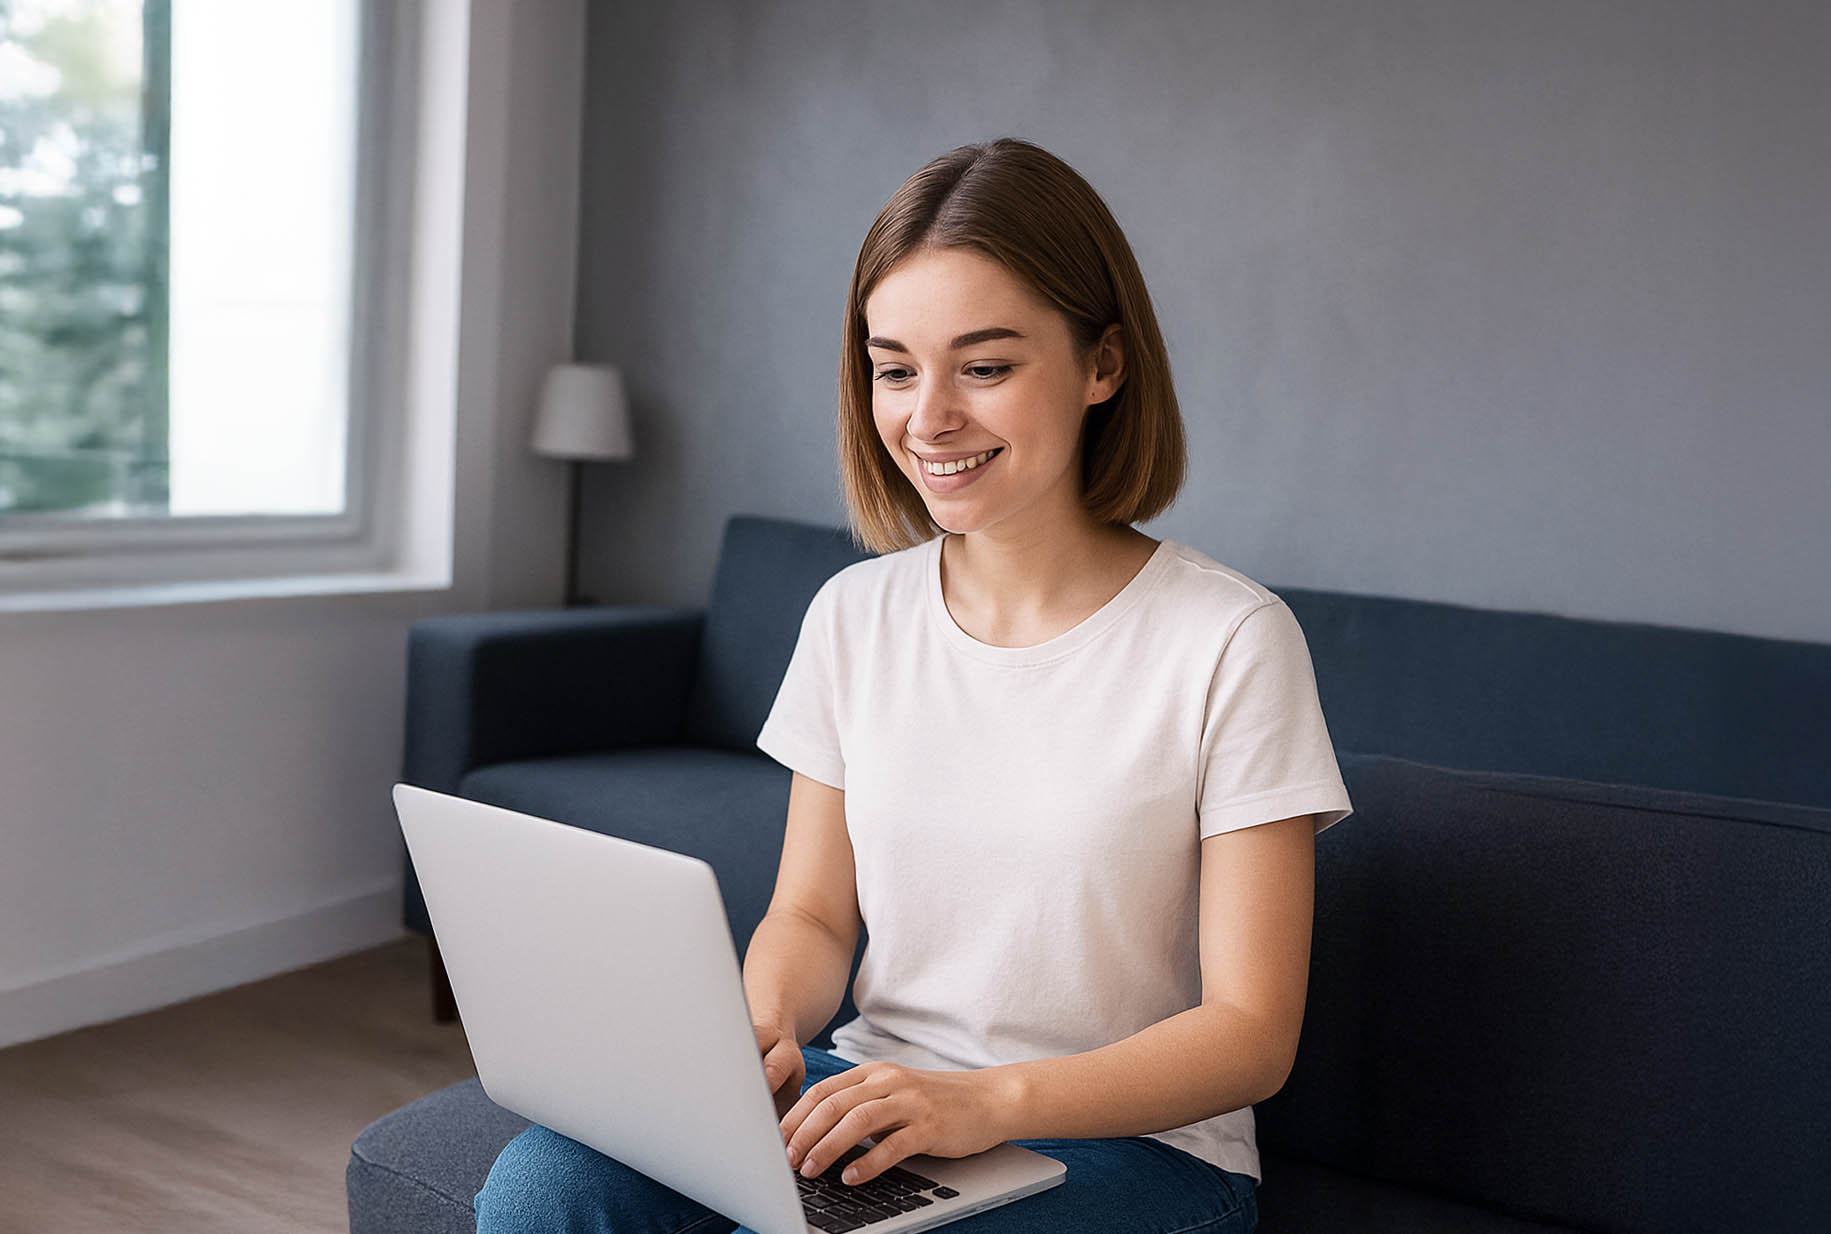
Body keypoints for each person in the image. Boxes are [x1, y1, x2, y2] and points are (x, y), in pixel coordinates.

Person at [475, 136, 1353, 1234]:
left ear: (1102, 365)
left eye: (983, 367)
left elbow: (1251, 1032)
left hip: (1132, 1149)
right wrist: (758, 1032)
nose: (927, 417)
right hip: (883, 1093)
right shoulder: (854, 614)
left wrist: (985, 1101)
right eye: (895, 367)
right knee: (545, 1186)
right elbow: (808, 910)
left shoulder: (1230, 640)